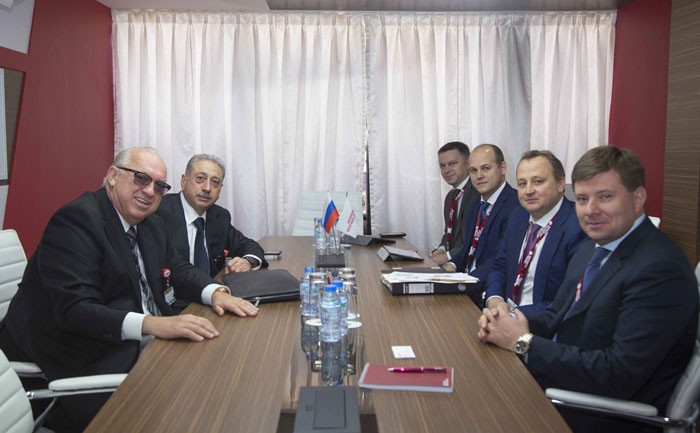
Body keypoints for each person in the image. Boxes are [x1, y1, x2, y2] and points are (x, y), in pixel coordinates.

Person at [0, 147, 259, 433]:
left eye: (159, 186)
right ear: (113, 176)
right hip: (77, 356)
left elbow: (178, 268)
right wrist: (154, 324)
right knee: (191, 409)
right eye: (141, 178)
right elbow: (76, 311)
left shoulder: (149, 223)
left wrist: (216, 293)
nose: (149, 191)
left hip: (136, 343)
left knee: (221, 373)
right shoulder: (77, 221)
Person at [477, 146, 698, 433]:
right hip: (564, 379)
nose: (590, 210)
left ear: (638, 198)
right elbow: (557, 314)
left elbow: (618, 374)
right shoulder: (595, 246)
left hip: (599, 413)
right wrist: (506, 322)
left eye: (605, 197)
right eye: (582, 199)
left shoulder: (660, 268)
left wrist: (523, 342)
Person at [484, 150, 587, 314]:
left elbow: (567, 300)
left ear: (561, 184)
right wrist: (494, 299)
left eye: (538, 182)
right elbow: (500, 264)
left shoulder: (579, 226)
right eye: (522, 183)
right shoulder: (517, 216)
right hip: (504, 314)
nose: (528, 190)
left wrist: (515, 316)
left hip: (542, 322)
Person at [157, 154, 267, 278]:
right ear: (184, 181)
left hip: (214, 288)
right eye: (200, 178)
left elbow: (249, 246)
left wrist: (247, 261)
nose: (207, 188)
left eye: (215, 182)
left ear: (220, 188)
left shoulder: (219, 216)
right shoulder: (159, 212)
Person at [445, 143, 519, 302]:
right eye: (473, 170)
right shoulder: (475, 205)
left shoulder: (516, 206)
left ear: (503, 168)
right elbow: (467, 249)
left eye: (485, 168)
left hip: (486, 292)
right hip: (466, 284)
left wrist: (464, 284)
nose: (479, 176)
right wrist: (450, 267)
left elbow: (500, 259)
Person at [429, 142, 480, 266]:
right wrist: (441, 249)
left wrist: (447, 257)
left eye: (452, 163)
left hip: (468, 265)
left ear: (467, 164)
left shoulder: (478, 193)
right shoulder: (450, 197)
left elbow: (472, 238)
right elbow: (449, 232)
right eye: (442, 166)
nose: (446, 170)